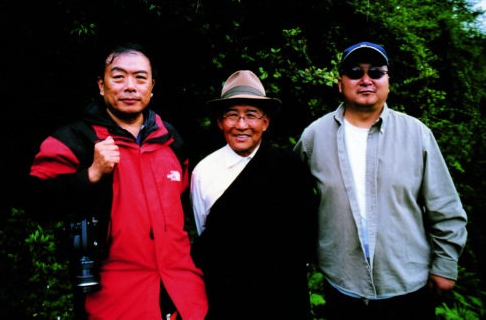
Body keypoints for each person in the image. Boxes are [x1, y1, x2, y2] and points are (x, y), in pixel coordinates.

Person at [28, 42, 208, 320]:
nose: (130, 86)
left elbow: (181, 205)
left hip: (182, 291)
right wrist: (92, 174)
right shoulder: (75, 139)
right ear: (101, 85)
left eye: (140, 78)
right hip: (113, 298)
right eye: (118, 76)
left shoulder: (171, 139)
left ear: (151, 87)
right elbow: (36, 202)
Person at [293, 42, 468, 319]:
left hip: (407, 286)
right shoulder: (314, 136)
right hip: (342, 285)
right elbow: (294, 203)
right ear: (340, 83)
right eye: (354, 72)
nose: (365, 80)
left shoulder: (417, 134)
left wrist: (445, 265)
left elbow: (445, 206)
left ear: (388, 82)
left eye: (376, 72)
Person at [190, 70, 317, 319]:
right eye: (232, 115)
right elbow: (204, 233)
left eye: (251, 115)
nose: (241, 125)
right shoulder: (204, 172)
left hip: (284, 294)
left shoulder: (289, 166)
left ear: (265, 122)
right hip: (228, 297)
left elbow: (306, 231)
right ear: (219, 121)